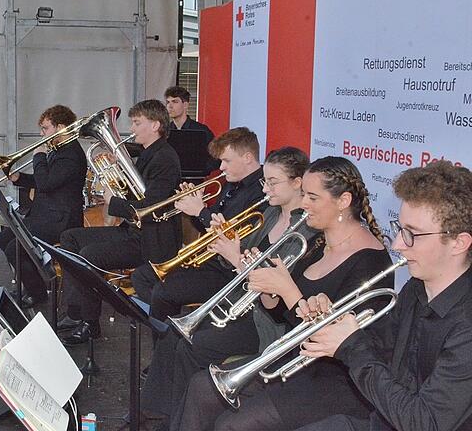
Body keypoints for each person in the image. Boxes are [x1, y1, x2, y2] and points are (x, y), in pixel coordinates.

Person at [171, 156, 394, 431]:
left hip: (332, 378)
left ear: (344, 201)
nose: (303, 204)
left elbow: (341, 341)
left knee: (231, 425)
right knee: (202, 387)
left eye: (312, 197)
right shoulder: (318, 242)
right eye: (304, 196)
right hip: (291, 360)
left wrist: (287, 290)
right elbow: (279, 313)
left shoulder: (372, 261)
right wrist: (265, 283)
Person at [138, 146, 318, 425]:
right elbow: (241, 257)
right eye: (264, 182)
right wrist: (224, 238)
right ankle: (152, 412)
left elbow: (274, 290)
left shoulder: (305, 230)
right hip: (239, 303)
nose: (266, 189)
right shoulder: (269, 213)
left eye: (273, 182)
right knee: (173, 333)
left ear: (297, 183)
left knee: (192, 347)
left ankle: (176, 420)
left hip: (265, 322)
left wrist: (236, 257)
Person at [293, 160, 472, 431]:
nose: (399, 244)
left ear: (459, 243)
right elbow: (383, 345)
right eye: (400, 229)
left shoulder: (466, 326)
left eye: (413, 234)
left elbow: (425, 422)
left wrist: (351, 346)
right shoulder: (416, 287)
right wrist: (335, 323)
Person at [57, 99, 182, 345]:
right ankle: (76, 313)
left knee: (90, 255)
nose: (131, 128)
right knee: (70, 237)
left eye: (137, 123)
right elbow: (137, 194)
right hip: (136, 231)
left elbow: (150, 207)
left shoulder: (165, 158)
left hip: (152, 241)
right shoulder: (150, 153)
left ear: (155, 125)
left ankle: (89, 323)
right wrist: (117, 170)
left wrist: (113, 201)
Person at [130, 127, 268, 322]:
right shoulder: (232, 182)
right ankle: (169, 326)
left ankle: (167, 335)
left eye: (226, 161)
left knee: (163, 292)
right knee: (142, 277)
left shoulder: (261, 192)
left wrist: (201, 212)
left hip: (228, 270)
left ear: (247, 158)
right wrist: (197, 207)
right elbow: (210, 227)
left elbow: (238, 235)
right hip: (208, 260)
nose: (221, 167)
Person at [0, 105, 87, 308]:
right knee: (4, 238)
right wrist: (20, 178)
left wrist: (38, 155)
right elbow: (44, 180)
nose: (41, 133)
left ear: (61, 127)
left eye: (45, 128)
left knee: (15, 248)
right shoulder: (59, 150)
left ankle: (38, 293)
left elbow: (46, 184)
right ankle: (34, 284)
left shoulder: (71, 154)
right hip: (46, 214)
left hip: (61, 219)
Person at [165, 86, 217, 174]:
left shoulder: (201, 130)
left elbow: (216, 156)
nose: (170, 106)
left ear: (185, 105)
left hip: (195, 181)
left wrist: (201, 171)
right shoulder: (164, 131)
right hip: (170, 180)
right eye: (168, 102)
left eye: (175, 102)